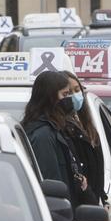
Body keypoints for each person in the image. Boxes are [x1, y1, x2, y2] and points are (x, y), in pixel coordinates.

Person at [62, 72, 105, 221]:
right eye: (68, 92)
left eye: (77, 90)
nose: (75, 96)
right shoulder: (64, 129)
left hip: (91, 207)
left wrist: (100, 197)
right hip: (79, 212)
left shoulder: (85, 124)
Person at [23, 72, 89, 210]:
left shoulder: (57, 128)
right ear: (50, 98)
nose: (70, 100)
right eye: (65, 95)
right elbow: (52, 185)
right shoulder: (43, 135)